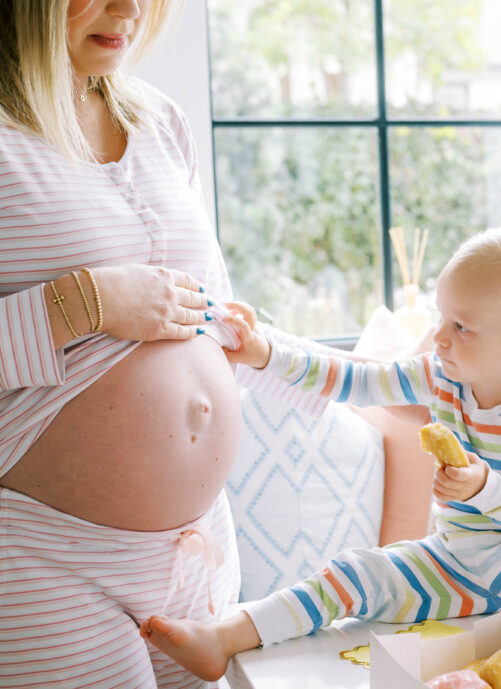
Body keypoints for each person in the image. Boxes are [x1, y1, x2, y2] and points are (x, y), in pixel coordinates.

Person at [138, 224, 501, 681]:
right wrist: (266, 353)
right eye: (443, 318)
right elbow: (360, 378)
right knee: (355, 573)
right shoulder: (443, 376)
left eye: (461, 327)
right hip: (455, 567)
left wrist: (483, 487)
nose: (439, 337)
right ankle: (225, 638)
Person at [0, 2, 310, 687]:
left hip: (197, 548)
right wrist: (87, 302)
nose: (130, 9)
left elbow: (214, 318)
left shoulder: (158, 121)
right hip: (46, 558)